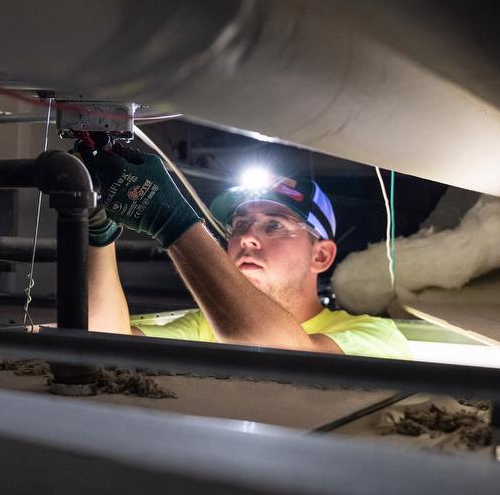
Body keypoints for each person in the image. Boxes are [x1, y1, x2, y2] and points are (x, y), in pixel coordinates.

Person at [80, 139, 411, 359]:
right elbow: (104, 342)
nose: (246, 238)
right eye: (239, 225)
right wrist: (99, 232)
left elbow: (281, 363)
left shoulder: (374, 336)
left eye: (274, 225)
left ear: (320, 255)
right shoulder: (207, 325)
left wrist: (171, 221)